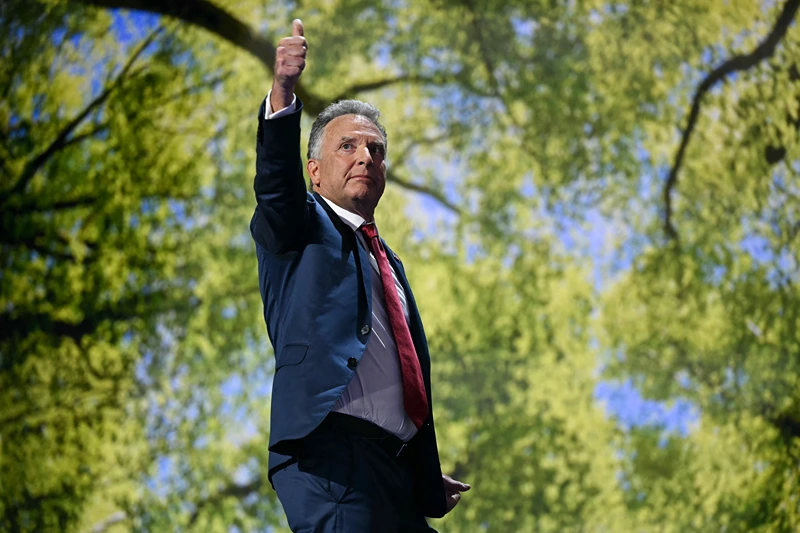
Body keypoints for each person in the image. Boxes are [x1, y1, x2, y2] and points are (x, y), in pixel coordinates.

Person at [250, 18, 470, 532]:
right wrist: (283, 93)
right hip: (331, 463)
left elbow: (394, 375)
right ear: (316, 170)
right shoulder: (299, 225)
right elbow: (276, 186)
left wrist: (419, 468)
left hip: (394, 475)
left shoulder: (389, 265)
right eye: (348, 146)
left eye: (376, 150)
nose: (366, 157)